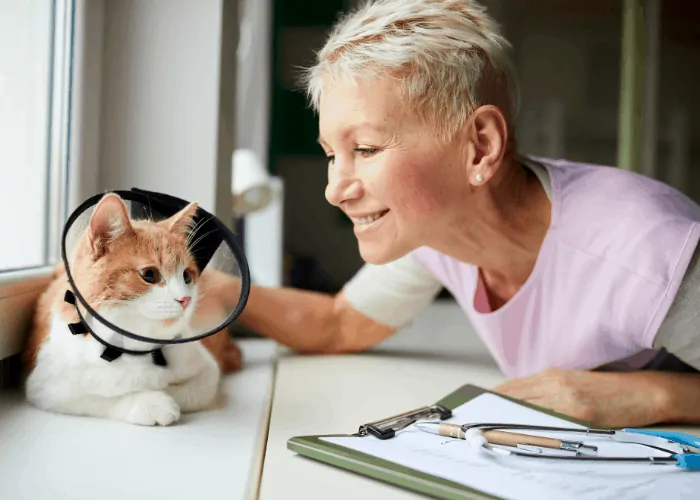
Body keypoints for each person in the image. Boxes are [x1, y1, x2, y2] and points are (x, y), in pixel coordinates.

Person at [230, 0, 700, 428]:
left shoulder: (644, 254)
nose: (335, 191)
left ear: (480, 147)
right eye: (333, 154)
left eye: (367, 148)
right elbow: (340, 323)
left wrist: (658, 395)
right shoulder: (439, 232)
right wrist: (221, 296)